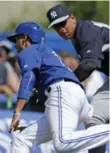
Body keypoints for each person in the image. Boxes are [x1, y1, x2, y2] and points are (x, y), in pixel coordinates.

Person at [8, 21, 109, 153]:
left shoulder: (30, 50)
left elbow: (29, 77)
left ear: (25, 38)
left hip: (63, 93)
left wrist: (17, 111)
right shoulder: (48, 53)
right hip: (75, 97)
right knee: (22, 138)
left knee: (63, 143)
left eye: (17, 38)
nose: (15, 44)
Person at [46, 4, 109, 153]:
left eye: (62, 23)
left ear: (73, 17)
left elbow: (89, 64)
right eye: (56, 27)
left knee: (95, 116)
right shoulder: (80, 35)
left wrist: (66, 82)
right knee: (96, 116)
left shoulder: (85, 31)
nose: (61, 29)